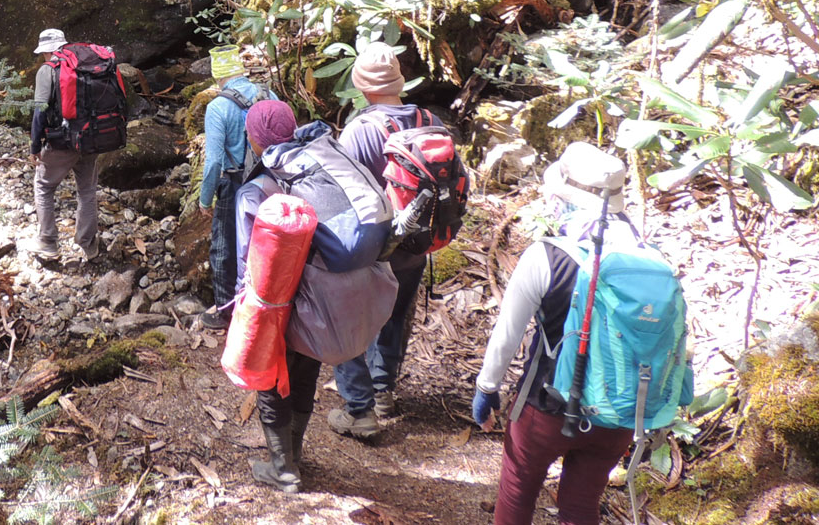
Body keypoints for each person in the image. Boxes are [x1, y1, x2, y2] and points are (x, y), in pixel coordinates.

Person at [472, 142, 640, 525]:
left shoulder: (546, 256)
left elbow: (507, 334)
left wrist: (486, 389)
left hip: (545, 409)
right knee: (580, 509)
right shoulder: (647, 258)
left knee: (516, 496)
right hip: (617, 415)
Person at [327, 42, 444, 439]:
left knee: (355, 315)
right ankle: (384, 390)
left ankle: (359, 405)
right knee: (396, 315)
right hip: (418, 240)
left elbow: (341, 187)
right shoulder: (430, 119)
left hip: (378, 242)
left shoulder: (362, 128)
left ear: (362, 86)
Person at [229, 100, 310, 492]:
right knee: (305, 374)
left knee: (270, 379)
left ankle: (284, 469)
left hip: (276, 300)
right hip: (316, 297)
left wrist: (239, 310)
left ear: (255, 140)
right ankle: (296, 453)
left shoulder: (253, 191)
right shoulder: (316, 168)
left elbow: (248, 259)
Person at [197, 45, 276, 330]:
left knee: (224, 247)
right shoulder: (269, 95)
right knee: (267, 241)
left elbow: (214, 162)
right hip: (271, 180)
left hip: (234, 183)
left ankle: (226, 311)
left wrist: (205, 200)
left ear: (218, 77)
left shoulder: (218, 107)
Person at [26, 28, 104, 262]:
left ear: (47, 51)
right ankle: (88, 245)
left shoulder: (47, 70)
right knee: (87, 190)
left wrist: (35, 146)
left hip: (63, 141)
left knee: (43, 186)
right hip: (91, 138)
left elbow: (40, 112)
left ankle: (48, 243)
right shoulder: (86, 64)